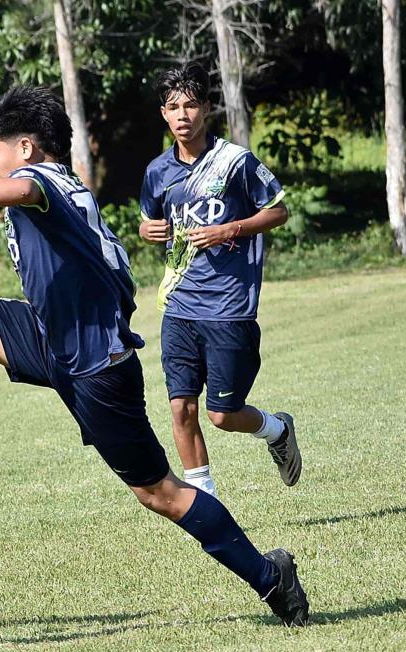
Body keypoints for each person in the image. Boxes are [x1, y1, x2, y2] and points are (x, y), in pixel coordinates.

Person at [0, 86, 309, 626]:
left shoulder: (43, 181)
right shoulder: (53, 184)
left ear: (25, 148)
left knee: (162, 494)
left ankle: (270, 578)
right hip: (53, 339)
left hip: (96, 368)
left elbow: (21, 191)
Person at [138, 63, 300, 499]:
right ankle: (204, 504)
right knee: (180, 408)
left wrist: (230, 229)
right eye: (173, 107)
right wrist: (146, 230)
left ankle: (277, 429)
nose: (183, 115)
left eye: (191, 105)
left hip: (228, 306)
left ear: (207, 109)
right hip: (179, 304)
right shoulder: (157, 171)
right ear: (163, 115)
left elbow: (279, 211)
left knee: (222, 415)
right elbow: (148, 221)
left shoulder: (234, 162)